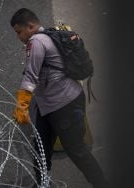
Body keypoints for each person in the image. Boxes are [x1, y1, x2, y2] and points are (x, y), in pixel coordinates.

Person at [10, 8, 108, 188]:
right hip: (49, 106)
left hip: (65, 105)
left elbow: (30, 76)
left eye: (19, 31)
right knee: (41, 149)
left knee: (77, 151)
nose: (18, 36)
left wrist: (21, 105)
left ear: (30, 26)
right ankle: (42, 184)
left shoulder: (37, 41)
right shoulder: (48, 36)